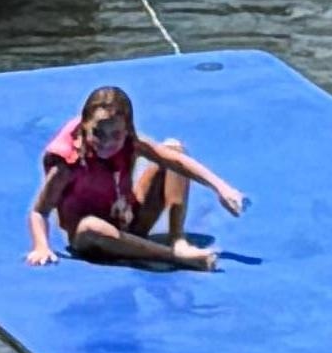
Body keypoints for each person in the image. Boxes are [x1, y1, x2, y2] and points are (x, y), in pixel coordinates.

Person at [27, 80, 244, 268]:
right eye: (98, 133)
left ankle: (178, 239)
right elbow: (39, 211)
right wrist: (41, 246)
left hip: (128, 220)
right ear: (85, 126)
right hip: (92, 237)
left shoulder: (131, 141)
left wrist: (221, 187)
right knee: (90, 227)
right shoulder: (67, 164)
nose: (107, 142)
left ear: (128, 130)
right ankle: (174, 256)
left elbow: (175, 160)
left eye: (115, 135)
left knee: (173, 148)